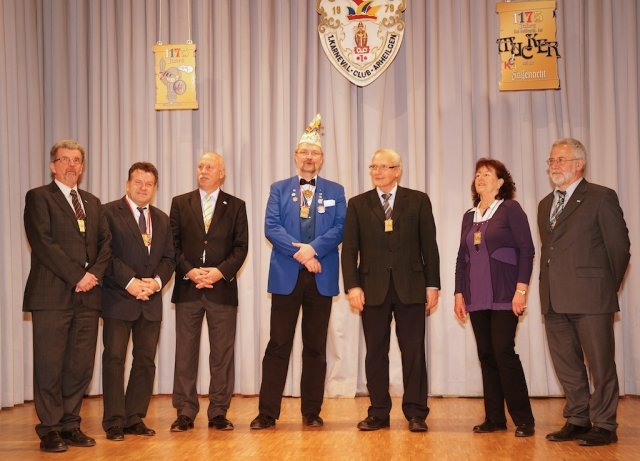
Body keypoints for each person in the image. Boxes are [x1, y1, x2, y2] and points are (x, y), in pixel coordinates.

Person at [250, 114, 346, 430]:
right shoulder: (279, 189)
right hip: (286, 275)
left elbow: (339, 228)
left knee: (315, 347)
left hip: (321, 276)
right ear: (295, 156)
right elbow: (271, 227)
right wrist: (302, 255)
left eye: (314, 152)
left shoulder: (336, 190)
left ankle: (312, 411)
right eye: (304, 152)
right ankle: (267, 413)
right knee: (278, 344)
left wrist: (313, 250)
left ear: (322, 158)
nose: (309, 157)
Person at [538, 138, 630, 446]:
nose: (554, 165)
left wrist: (604, 287)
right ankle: (578, 418)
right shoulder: (545, 204)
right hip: (554, 298)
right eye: (551, 160)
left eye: (560, 159)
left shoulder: (601, 197)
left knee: (601, 365)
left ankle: (604, 423)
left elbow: (619, 248)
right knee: (567, 365)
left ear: (580, 163)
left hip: (592, 298)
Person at [342, 148, 440, 432]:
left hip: (411, 287)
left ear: (397, 171)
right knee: (375, 352)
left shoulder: (418, 200)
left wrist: (432, 285)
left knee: (413, 352)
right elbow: (349, 250)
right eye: (374, 167)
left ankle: (416, 413)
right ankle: (378, 412)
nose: (377, 172)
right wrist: (352, 286)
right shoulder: (358, 204)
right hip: (371, 288)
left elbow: (429, 246)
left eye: (384, 167)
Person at [23, 139, 112, 452]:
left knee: (79, 366)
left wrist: (93, 276)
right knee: (49, 364)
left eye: (76, 160)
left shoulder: (92, 201)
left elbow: (106, 244)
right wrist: (78, 276)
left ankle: (70, 423)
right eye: (65, 159)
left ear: (82, 166)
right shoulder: (39, 197)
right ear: (53, 165)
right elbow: (43, 243)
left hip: (88, 297)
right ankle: (49, 428)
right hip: (52, 295)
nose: (71, 165)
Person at [453, 158, 536, 438]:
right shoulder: (469, 216)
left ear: (501, 182)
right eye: (478, 174)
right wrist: (459, 293)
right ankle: (494, 418)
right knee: (486, 355)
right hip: (476, 295)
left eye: (487, 174)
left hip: (504, 294)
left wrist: (521, 290)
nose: (480, 178)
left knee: (503, 352)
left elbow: (527, 250)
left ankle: (523, 419)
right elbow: (461, 258)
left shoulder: (510, 209)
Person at [169, 152, 248, 432]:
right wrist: (190, 271)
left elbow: (241, 247)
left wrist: (218, 272)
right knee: (185, 353)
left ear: (222, 173)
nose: (203, 170)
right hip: (188, 287)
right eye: (200, 166)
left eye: (210, 167)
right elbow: (172, 244)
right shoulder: (180, 203)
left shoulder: (236, 206)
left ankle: (218, 412)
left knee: (222, 354)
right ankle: (185, 411)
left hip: (221, 289)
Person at [101, 162, 175, 441]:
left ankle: (134, 418)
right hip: (118, 299)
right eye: (138, 182)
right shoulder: (108, 213)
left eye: (149, 184)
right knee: (114, 359)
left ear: (155, 188)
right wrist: (130, 282)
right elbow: (105, 254)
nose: (143, 188)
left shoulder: (162, 219)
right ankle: (114, 421)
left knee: (145, 361)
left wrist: (155, 283)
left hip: (150, 301)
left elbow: (169, 258)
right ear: (127, 184)